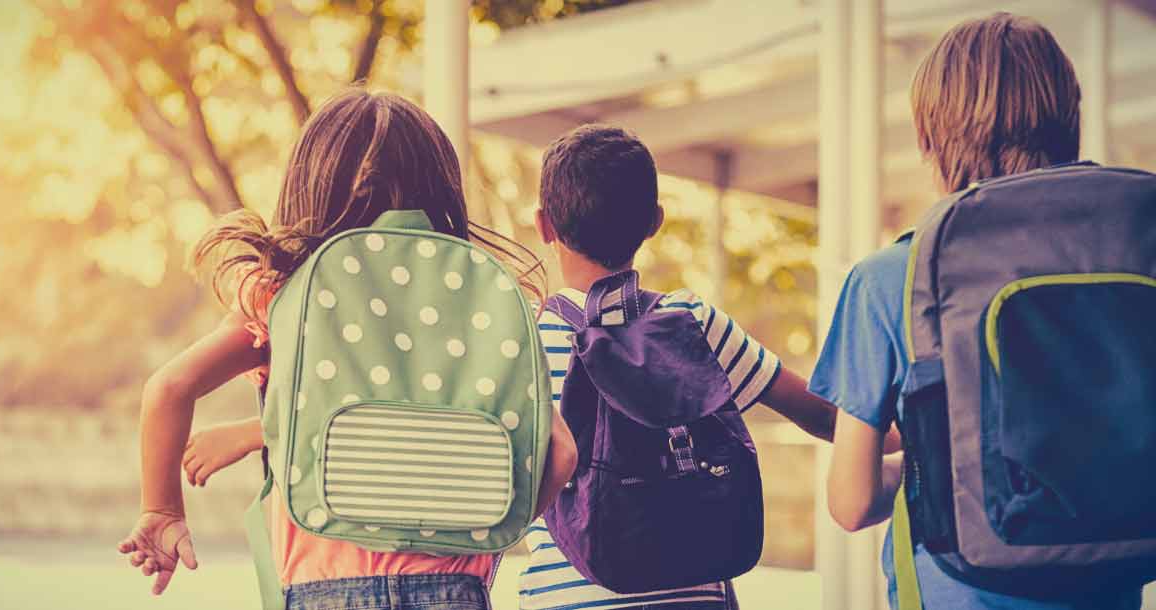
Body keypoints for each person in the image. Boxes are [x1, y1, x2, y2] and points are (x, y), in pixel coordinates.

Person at [117, 88, 580, 610]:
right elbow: (561, 454)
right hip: (452, 591)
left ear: (310, 186)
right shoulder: (491, 304)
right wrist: (482, 544)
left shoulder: (283, 296)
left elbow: (169, 388)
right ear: (442, 188)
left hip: (325, 591)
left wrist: (162, 510)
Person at [815, 12, 1144, 610]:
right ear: (1069, 118)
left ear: (930, 137)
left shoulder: (894, 277)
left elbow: (852, 501)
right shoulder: (1137, 263)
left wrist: (924, 464)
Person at [519, 124, 848, 610]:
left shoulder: (522, 344)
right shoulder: (690, 323)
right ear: (655, 221)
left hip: (566, 599)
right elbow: (824, 415)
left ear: (544, 225)